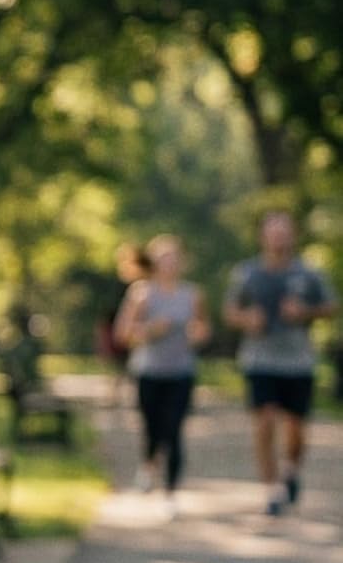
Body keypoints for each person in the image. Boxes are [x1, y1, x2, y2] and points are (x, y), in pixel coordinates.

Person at [222, 210, 338, 515]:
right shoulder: (247, 273)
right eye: (273, 231)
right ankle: (271, 487)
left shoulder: (309, 273)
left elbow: (330, 307)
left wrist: (304, 312)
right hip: (259, 359)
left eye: (284, 231)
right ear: (263, 235)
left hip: (298, 361)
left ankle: (291, 471)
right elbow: (230, 311)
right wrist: (248, 318)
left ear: (292, 235)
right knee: (265, 419)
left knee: (296, 428)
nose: (278, 237)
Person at [113, 234, 209, 499]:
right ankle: (148, 465)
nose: (169, 264)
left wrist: (198, 334)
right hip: (149, 371)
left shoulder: (192, 294)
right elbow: (122, 334)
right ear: (154, 263)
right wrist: (151, 330)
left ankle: (171, 489)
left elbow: (203, 328)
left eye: (174, 258)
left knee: (174, 429)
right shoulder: (141, 293)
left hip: (181, 371)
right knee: (152, 427)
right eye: (163, 259)